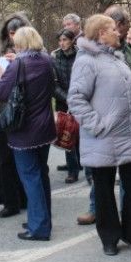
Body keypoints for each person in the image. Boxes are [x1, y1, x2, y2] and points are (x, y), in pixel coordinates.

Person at [68, 15, 131, 255]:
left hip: (129, 136)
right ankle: (110, 238)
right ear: (101, 33)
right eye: (113, 29)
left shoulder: (119, 60)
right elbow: (76, 99)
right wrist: (98, 125)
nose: (118, 33)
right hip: (103, 138)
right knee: (103, 190)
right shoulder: (86, 62)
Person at [0, 26, 56, 241]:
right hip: (46, 125)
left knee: (30, 176)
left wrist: (4, 74)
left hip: (25, 128)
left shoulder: (18, 64)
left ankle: (39, 226)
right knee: (42, 173)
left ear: (20, 44)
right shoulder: (48, 60)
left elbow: (0, 92)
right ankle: (42, 218)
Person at [0, 12, 30, 218]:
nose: (14, 37)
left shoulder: (35, 52)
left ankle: (26, 198)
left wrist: (19, 67)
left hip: (25, 111)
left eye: (18, 33)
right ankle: (10, 200)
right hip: (3, 110)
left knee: (25, 158)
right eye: (11, 33)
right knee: (4, 158)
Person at [52, 29, 81, 183]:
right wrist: (67, 98)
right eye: (60, 40)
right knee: (67, 135)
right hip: (64, 102)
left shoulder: (81, 55)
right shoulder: (55, 57)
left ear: (72, 41)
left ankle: (88, 170)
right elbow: (53, 84)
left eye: (65, 40)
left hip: (81, 100)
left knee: (82, 136)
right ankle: (73, 170)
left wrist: (78, 97)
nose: (62, 43)